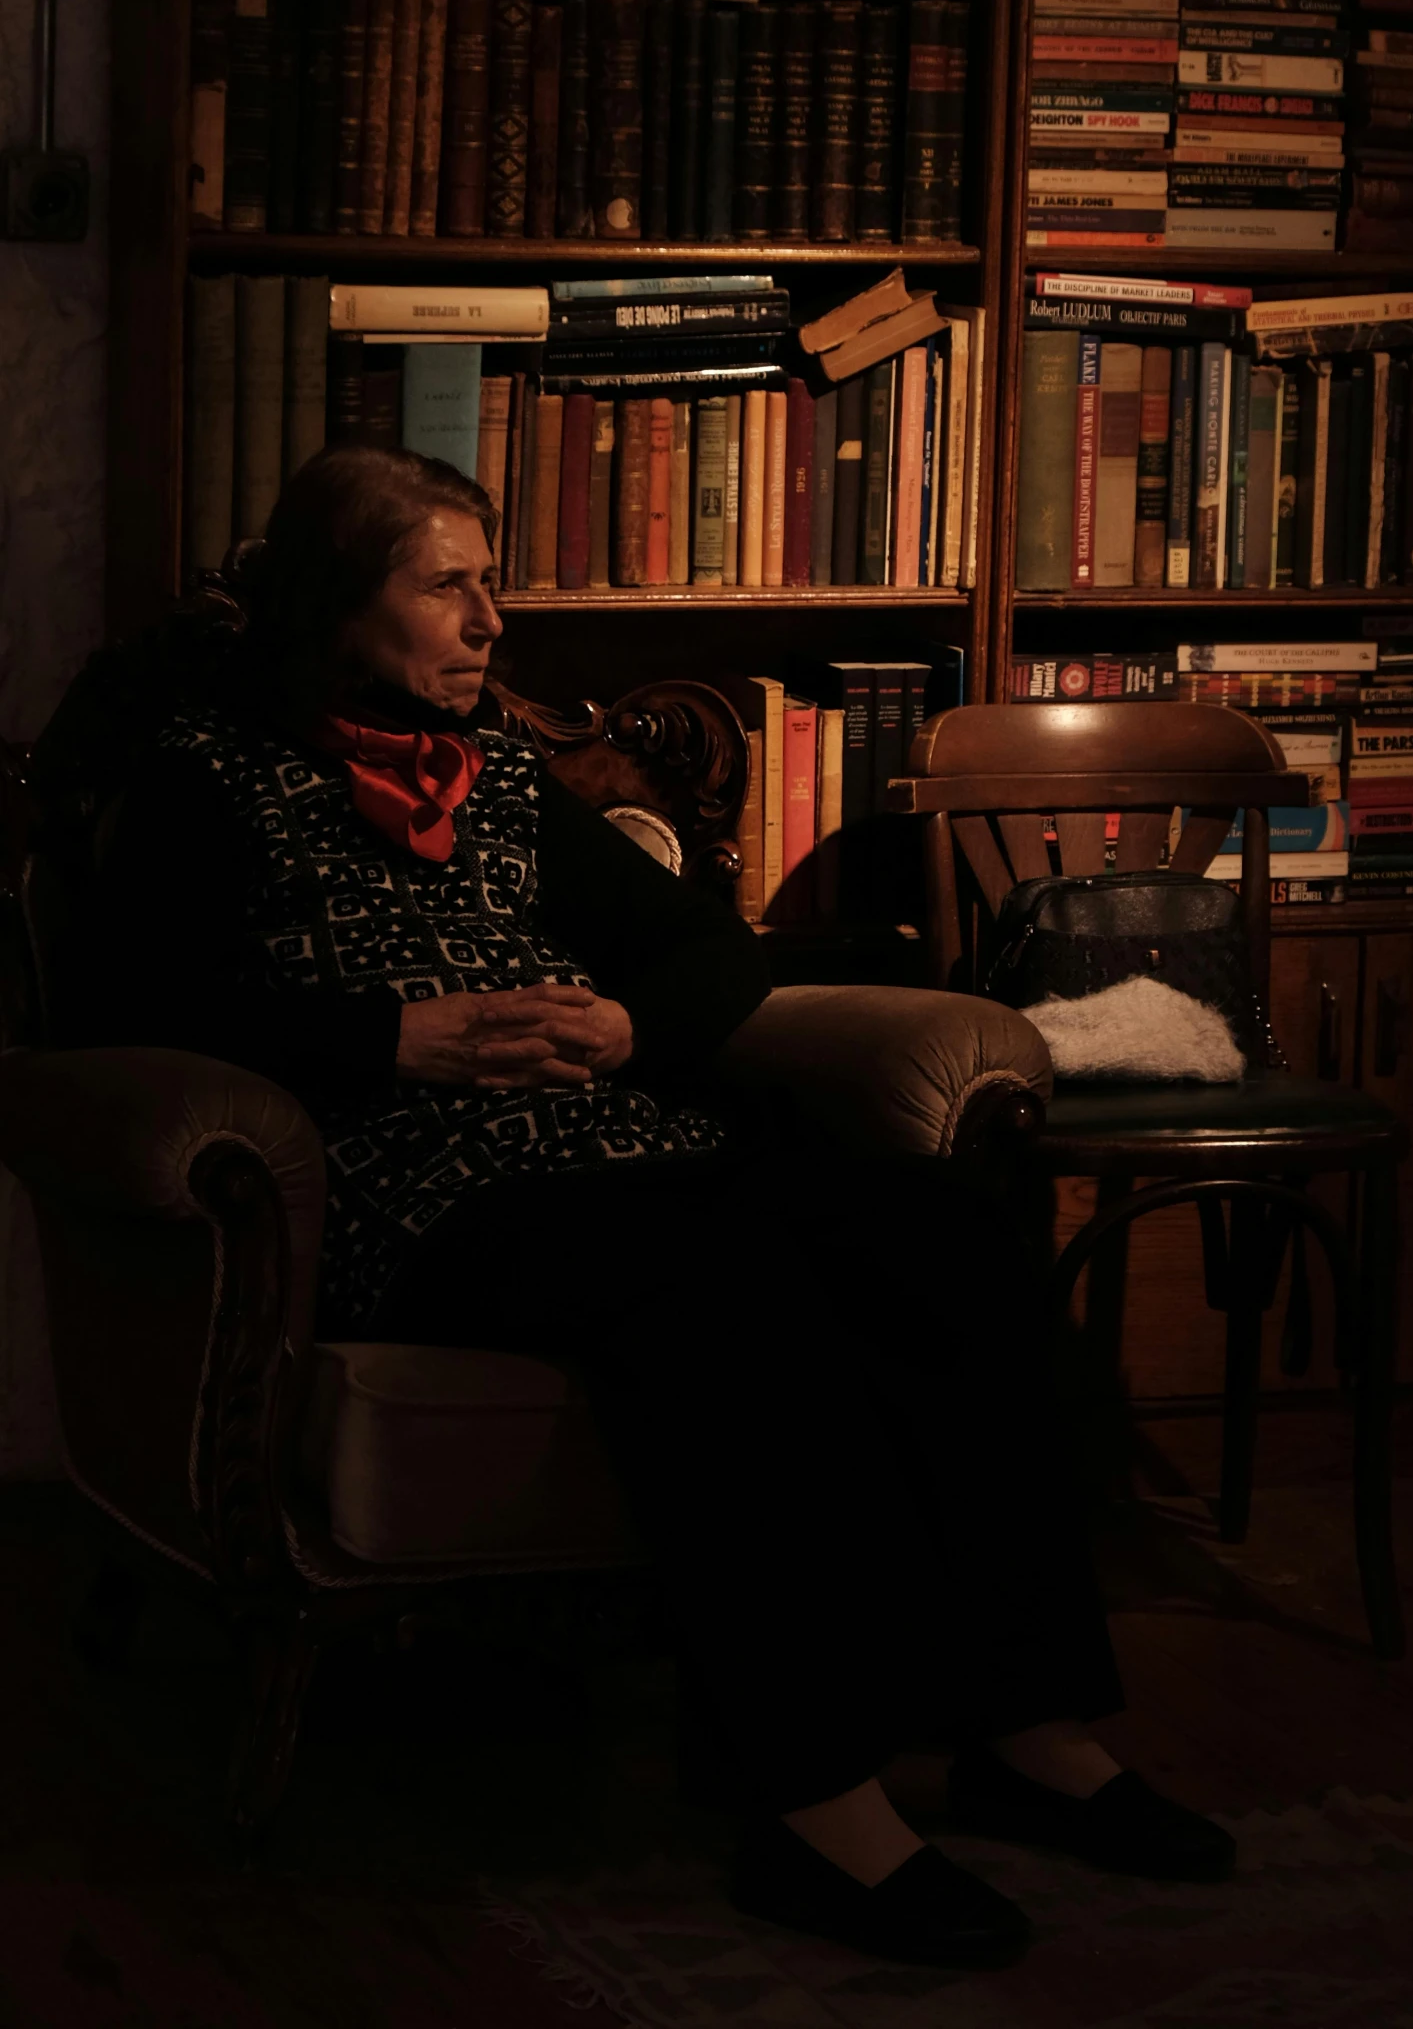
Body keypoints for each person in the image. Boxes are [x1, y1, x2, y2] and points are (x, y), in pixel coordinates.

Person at [84, 446, 1234, 1971]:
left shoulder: (496, 775)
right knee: (715, 1288)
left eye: (491, 580)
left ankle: (1025, 1731)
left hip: (620, 1136)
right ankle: (811, 1802)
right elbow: (126, 1002)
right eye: (449, 582)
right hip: (410, 1190)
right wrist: (389, 1036)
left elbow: (708, 957)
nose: (493, 617)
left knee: (940, 1233)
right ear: (337, 601)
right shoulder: (206, 776)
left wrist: (630, 1029)